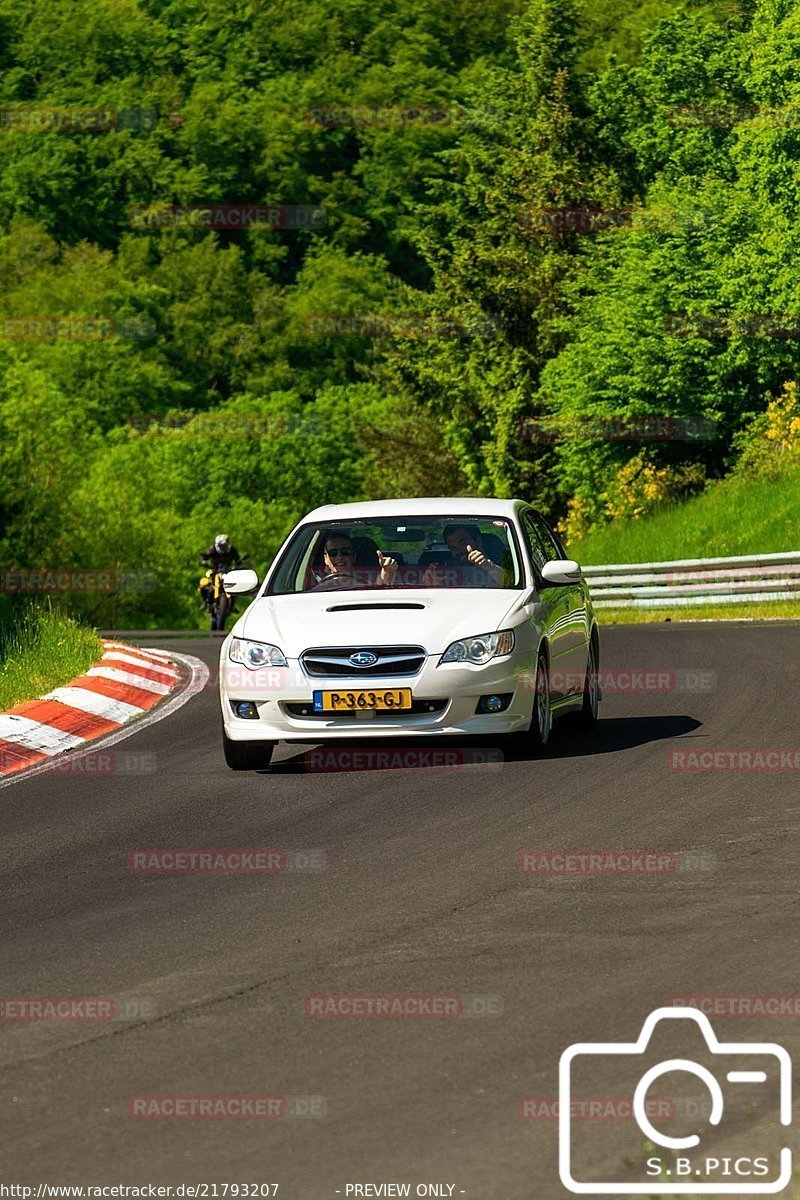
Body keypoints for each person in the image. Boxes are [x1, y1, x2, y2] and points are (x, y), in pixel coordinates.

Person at [422, 523, 504, 586]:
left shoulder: (500, 561)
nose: (458, 551)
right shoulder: (448, 570)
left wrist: (487, 565)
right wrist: (432, 584)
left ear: (478, 541)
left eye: (462, 543)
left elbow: (510, 582)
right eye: (453, 548)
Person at [311, 531, 398, 590]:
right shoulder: (317, 588)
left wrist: (387, 571)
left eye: (345, 552)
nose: (339, 557)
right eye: (333, 553)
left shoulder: (368, 580)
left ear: (354, 557)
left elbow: (380, 588)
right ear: (326, 558)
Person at [198, 533, 243, 609]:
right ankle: (206, 602)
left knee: (236, 585)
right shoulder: (213, 549)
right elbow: (204, 555)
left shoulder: (231, 550)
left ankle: (233, 604)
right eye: (223, 546)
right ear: (218, 545)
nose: (224, 547)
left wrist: (239, 565)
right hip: (214, 570)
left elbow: (238, 559)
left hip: (228, 571)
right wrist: (203, 561)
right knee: (204, 583)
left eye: (225, 545)